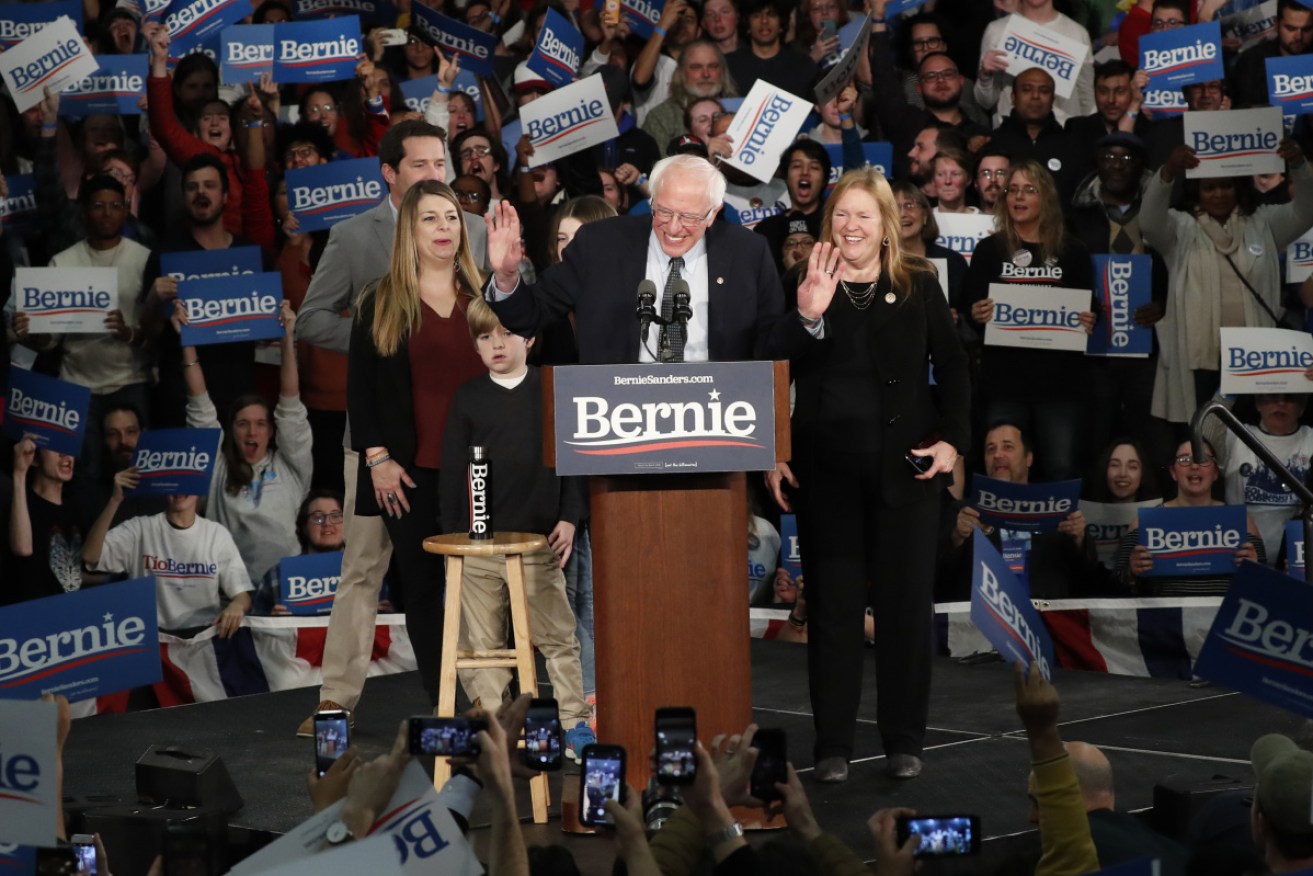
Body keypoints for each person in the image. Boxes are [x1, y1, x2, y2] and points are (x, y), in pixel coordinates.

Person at [765, 167, 970, 783]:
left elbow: (955, 369)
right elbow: (772, 363)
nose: (852, 226)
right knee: (832, 610)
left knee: (906, 612)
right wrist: (775, 447)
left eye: (864, 216)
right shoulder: (804, 280)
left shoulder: (918, 285)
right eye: (842, 216)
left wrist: (954, 444)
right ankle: (832, 745)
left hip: (904, 474)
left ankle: (904, 739)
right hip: (825, 475)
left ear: (886, 226)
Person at [293, 120, 488, 735]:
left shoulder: (476, 230)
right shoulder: (354, 236)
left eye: (441, 165)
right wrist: (382, 350)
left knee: (471, 574)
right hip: (380, 442)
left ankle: (478, 698)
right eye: (422, 166)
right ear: (390, 173)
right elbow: (311, 320)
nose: (436, 176)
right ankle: (337, 699)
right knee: (363, 569)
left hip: (457, 439)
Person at [347, 179, 487, 708]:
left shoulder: (484, 297)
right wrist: (378, 459)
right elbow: (361, 391)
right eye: (430, 218)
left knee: (484, 589)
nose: (444, 228)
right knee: (426, 592)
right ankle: (445, 698)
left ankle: (497, 693)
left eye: (450, 217)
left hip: (479, 471)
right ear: (410, 229)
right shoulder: (379, 302)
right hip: (408, 473)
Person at [439, 299, 593, 759]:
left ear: (529, 337)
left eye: (505, 334)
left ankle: (574, 724)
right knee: (484, 645)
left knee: (558, 638)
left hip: (538, 542)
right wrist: (455, 541)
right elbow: (452, 474)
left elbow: (573, 459)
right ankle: (497, 727)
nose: (496, 344)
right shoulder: (468, 397)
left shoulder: (551, 388)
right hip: (481, 547)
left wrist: (569, 517)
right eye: (485, 337)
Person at [484, 154, 791, 364]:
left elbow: (773, 349)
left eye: (688, 217)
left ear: (713, 213)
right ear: (651, 200)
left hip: (717, 421)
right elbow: (530, 316)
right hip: (618, 423)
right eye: (664, 211)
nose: (672, 227)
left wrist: (807, 317)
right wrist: (507, 278)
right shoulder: (599, 244)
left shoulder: (748, 252)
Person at [1143, 138, 1313, 425]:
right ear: (1197, 191)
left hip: (1254, 359)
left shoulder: (1264, 223)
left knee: (1250, 436)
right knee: (1203, 440)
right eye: (1209, 187)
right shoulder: (1179, 228)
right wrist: (1169, 170)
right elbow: (1148, 222)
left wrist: (1299, 166)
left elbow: (1307, 211)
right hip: (1199, 361)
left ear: (1239, 187)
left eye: (1227, 185)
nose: (1219, 193)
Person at [967, 160, 1096, 481]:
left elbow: (1092, 307)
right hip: (1004, 384)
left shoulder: (1073, 252)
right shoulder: (989, 250)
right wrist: (976, 312)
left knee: (1060, 469)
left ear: (1046, 198)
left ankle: (1059, 532)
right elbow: (968, 304)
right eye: (1013, 190)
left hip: (1060, 387)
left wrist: (1090, 319)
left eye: (1029, 190)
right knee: (1001, 470)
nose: (1018, 197)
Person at [181, 300, 312, 585]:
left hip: (287, 587)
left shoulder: (290, 466)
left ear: (271, 432)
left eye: (260, 423)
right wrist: (186, 339)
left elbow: (290, 406)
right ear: (231, 431)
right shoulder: (217, 467)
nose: (252, 431)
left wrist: (287, 337)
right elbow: (200, 407)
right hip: (232, 588)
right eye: (242, 423)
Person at [84, 471, 252, 636]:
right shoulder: (140, 529)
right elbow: (90, 556)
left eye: (186, 482)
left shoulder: (217, 534)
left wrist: (237, 605)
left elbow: (242, 595)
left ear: (200, 485)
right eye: (173, 482)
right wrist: (115, 500)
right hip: (152, 639)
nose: (179, 489)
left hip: (202, 640)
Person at [1115, 439, 1265, 595]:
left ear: (1215, 472)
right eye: (1184, 460)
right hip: (1167, 617)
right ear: (1173, 472)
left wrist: (1254, 569)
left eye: (1203, 459)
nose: (1194, 466)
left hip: (1223, 616)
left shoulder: (1242, 522)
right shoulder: (1143, 523)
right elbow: (1116, 586)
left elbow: (1265, 586)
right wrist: (1131, 571)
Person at [1202, 393, 1313, 564]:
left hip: (1300, 557)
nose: (1281, 403)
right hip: (1240, 555)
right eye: (1272, 397)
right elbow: (1204, 437)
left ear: (1302, 407)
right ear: (1258, 404)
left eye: (1290, 397)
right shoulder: (1238, 435)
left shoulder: (1310, 438)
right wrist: (1228, 390)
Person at [6, 437, 90, 605]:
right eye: (55, 446)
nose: (65, 454)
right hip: (33, 617)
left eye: (68, 445)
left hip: (73, 618)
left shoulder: (78, 508)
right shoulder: (20, 503)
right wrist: (20, 473)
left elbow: (75, 574)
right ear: (35, 458)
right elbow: (22, 548)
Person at [251, 490, 349, 615]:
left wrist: (381, 613)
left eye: (335, 516)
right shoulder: (276, 576)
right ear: (304, 527)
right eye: (317, 517)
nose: (327, 523)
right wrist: (271, 623)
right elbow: (255, 630)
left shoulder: (367, 572)